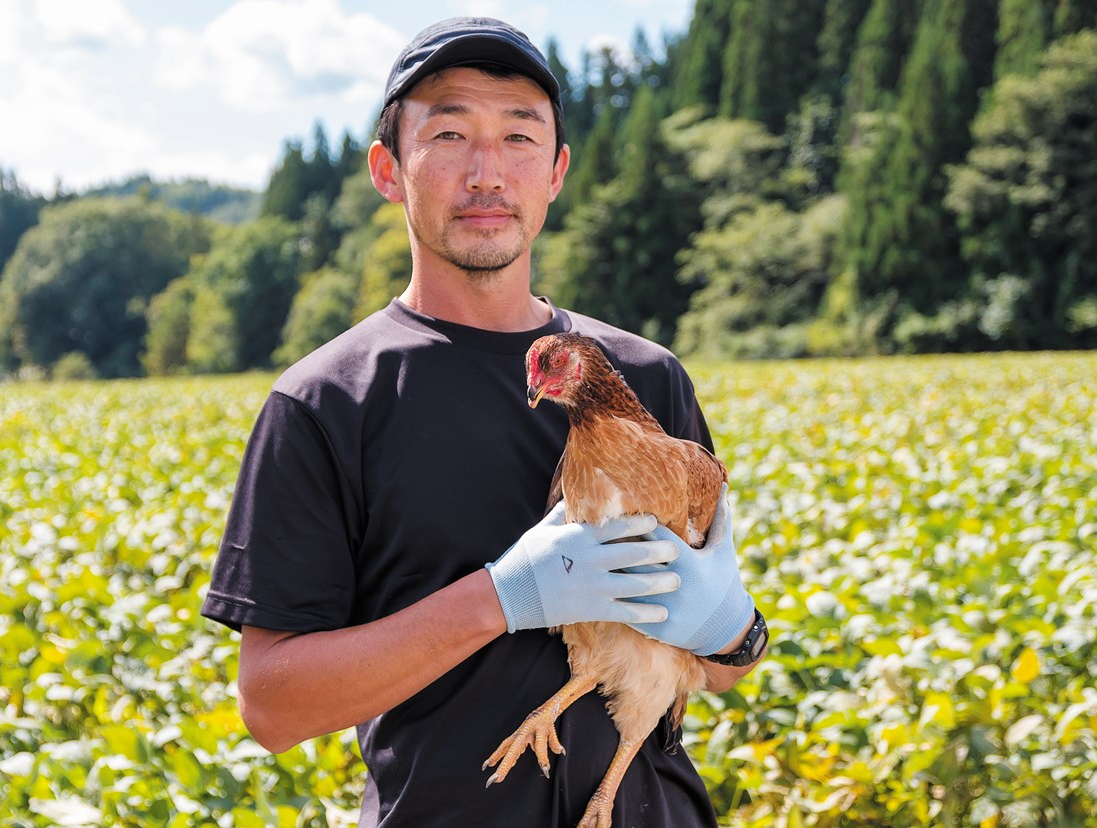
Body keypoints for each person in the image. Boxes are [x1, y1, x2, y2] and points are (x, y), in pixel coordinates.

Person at [201, 16, 767, 828]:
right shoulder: (327, 402)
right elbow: (273, 707)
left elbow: (713, 668)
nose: (487, 171)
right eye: (450, 134)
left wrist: (730, 628)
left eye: (519, 136)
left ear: (558, 171)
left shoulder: (649, 379)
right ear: (389, 171)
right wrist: (499, 599)